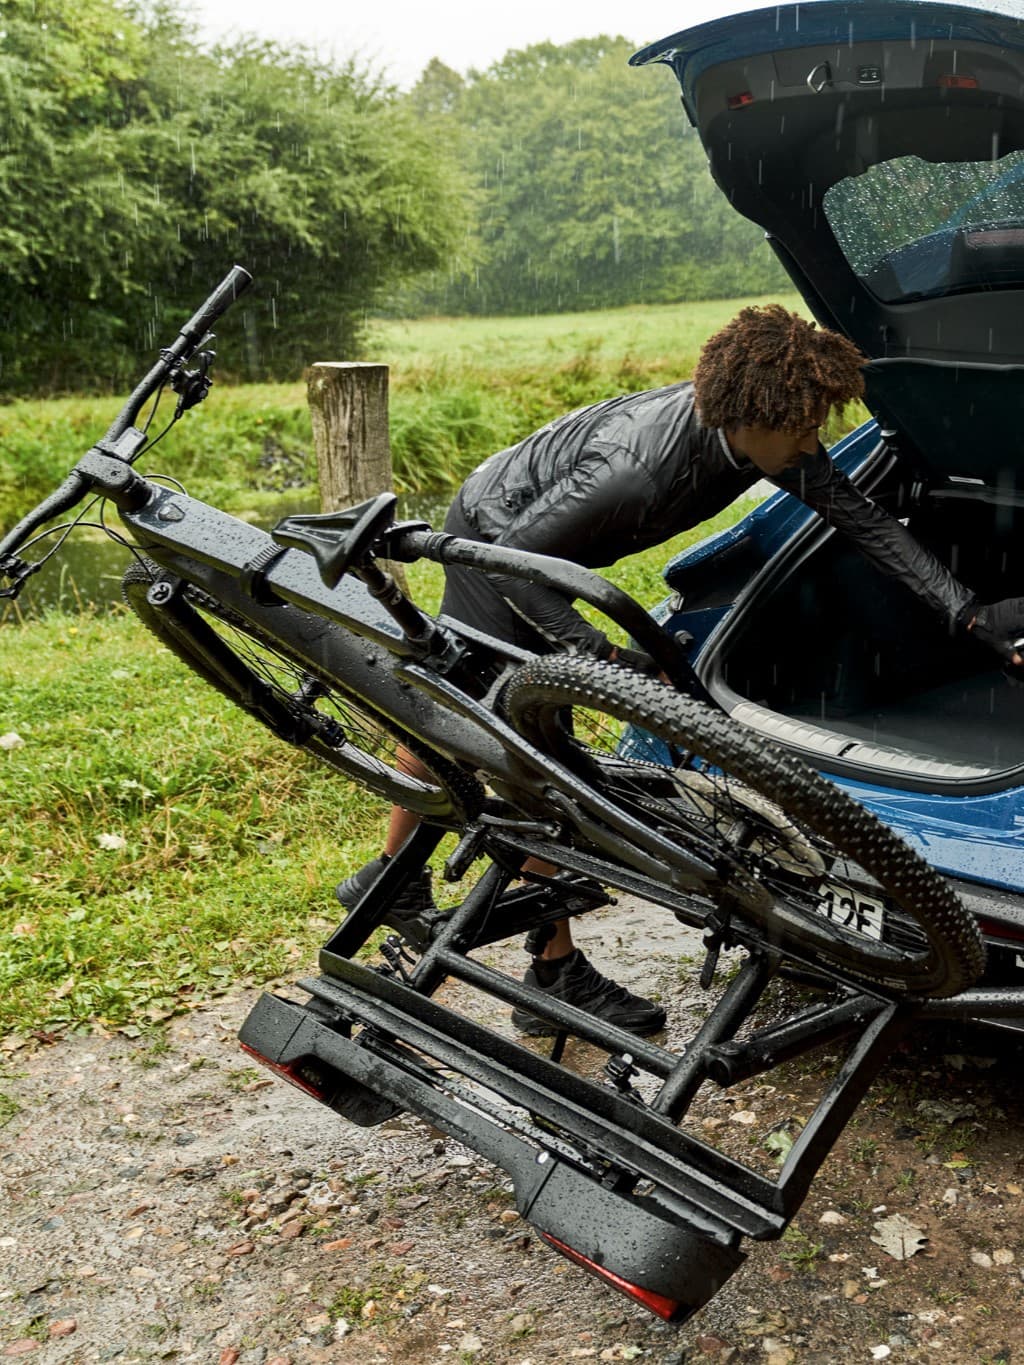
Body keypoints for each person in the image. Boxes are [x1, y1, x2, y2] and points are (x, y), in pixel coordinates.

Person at [338, 303, 1024, 1036]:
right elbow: (520, 563)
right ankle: (492, 934)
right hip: (495, 538)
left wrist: (970, 616)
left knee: (511, 739)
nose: (812, 440)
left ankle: (411, 891)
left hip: (537, 548)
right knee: (522, 748)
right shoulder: (638, 470)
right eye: (803, 426)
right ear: (753, 417)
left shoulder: (770, 442)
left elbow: (867, 522)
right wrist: (602, 658)